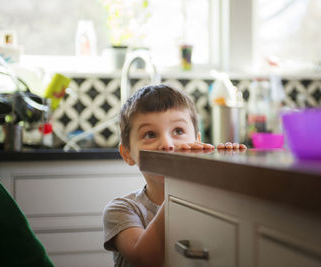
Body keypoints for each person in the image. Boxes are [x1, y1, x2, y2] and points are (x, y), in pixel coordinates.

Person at [102, 84, 246, 267]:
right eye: (150, 134)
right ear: (127, 154)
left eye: (178, 131)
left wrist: (228, 170)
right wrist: (182, 183)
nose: (167, 144)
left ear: (197, 141)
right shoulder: (122, 210)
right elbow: (146, 259)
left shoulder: (211, 202)